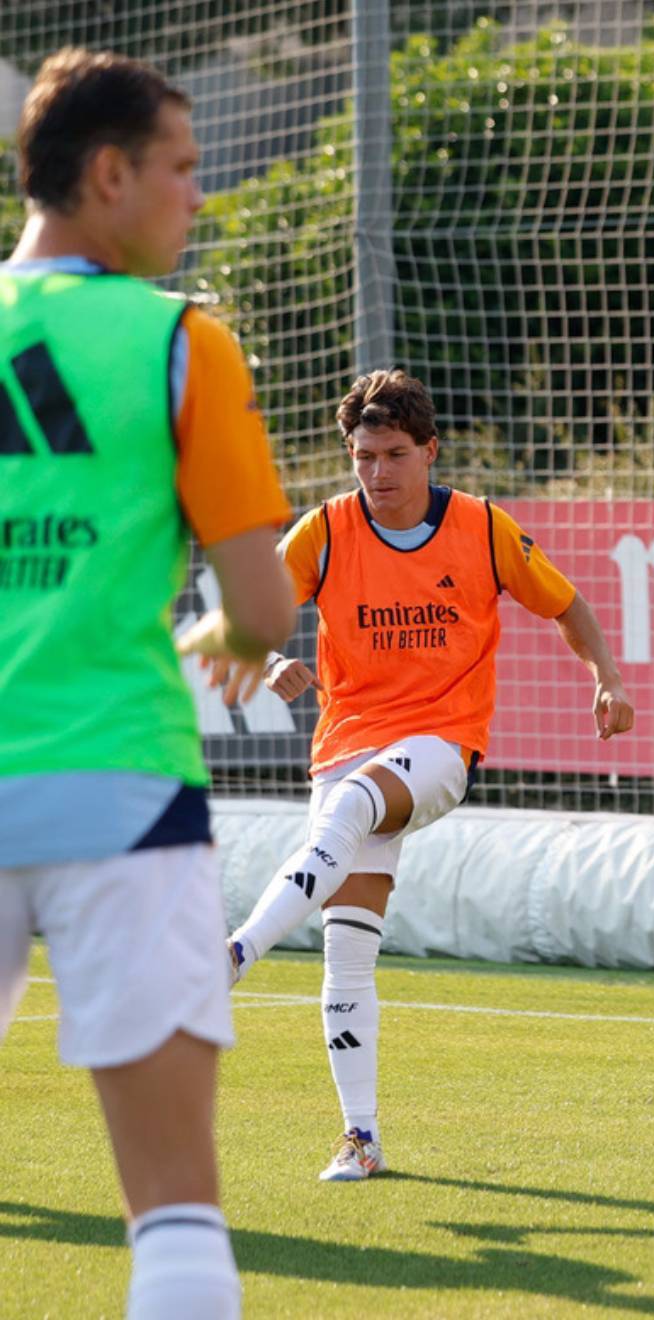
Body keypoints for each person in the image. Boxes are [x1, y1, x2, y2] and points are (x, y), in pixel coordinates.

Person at [0, 49, 295, 1319]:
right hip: (120, 787)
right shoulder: (181, 340)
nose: (195, 195)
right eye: (179, 168)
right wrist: (226, 626)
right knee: (175, 1216)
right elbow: (267, 605)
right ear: (107, 174)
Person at [194, 368, 636, 1181]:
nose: (378, 472)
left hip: (441, 744)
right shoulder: (323, 530)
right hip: (344, 743)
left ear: (430, 451)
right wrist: (271, 658)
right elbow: (241, 618)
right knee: (348, 952)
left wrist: (606, 677)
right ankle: (360, 1139)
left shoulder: (483, 527)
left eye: (395, 453)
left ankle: (234, 955)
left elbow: (568, 606)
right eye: (363, 455)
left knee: (359, 806)